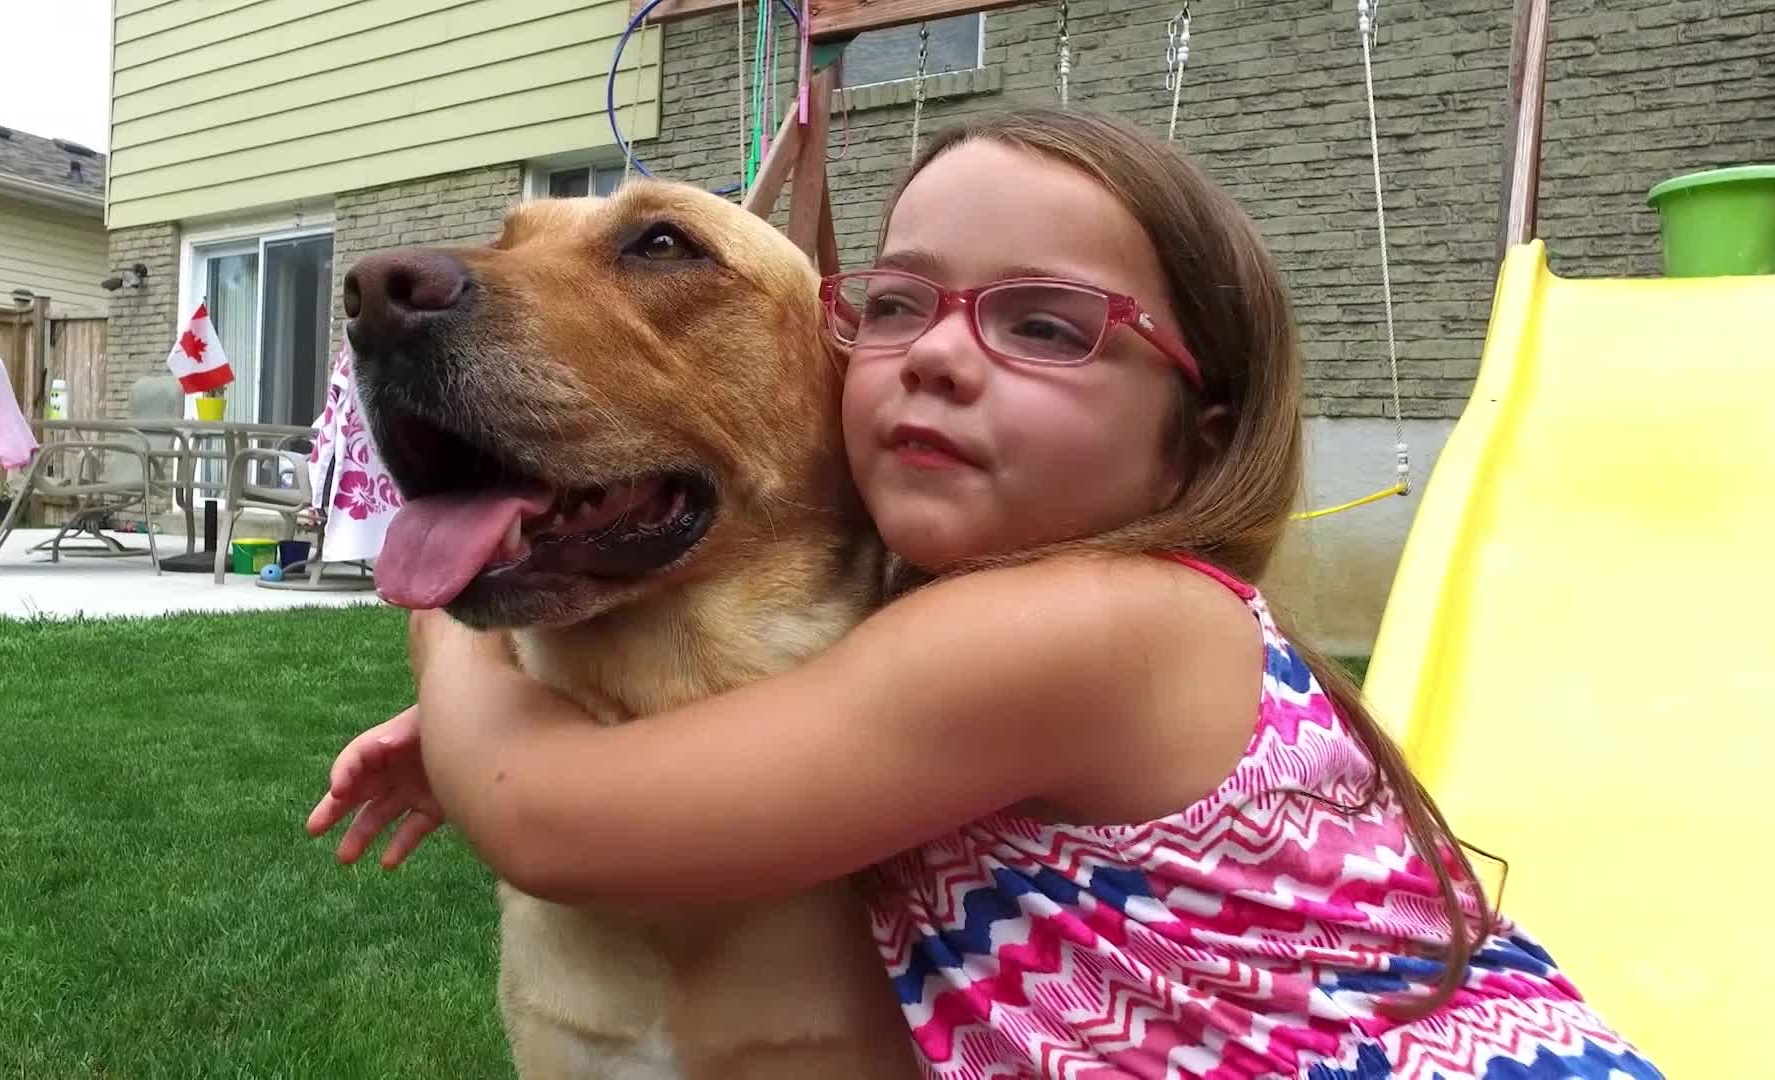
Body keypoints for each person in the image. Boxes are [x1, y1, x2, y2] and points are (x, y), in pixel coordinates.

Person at [308, 107, 1659, 1078]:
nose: (940, 355)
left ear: (1196, 439)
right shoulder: (938, 659)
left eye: (1047, 326)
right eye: (897, 306)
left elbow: (546, 818)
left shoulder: (1095, 626)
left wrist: (450, 637)